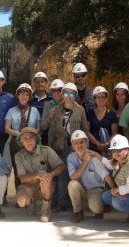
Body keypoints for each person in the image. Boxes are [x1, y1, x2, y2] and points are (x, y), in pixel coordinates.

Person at [47, 82, 89, 211]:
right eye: (65, 93)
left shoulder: (80, 110)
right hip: (59, 146)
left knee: (69, 174)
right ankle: (58, 202)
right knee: (59, 174)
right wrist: (48, 149)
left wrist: (85, 149)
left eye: (71, 94)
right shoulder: (56, 109)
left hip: (74, 147)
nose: (68, 96)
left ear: (75, 95)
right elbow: (52, 130)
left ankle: (66, 202)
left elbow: (84, 130)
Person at [15, 127, 66, 222]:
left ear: (36, 139)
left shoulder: (46, 150)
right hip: (29, 186)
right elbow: (22, 178)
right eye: (25, 138)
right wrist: (37, 175)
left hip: (44, 184)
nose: (29, 141)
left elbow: (62, 166)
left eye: (31, 138)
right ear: (21, 142)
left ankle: (46, 210)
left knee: (46, 180)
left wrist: (51, 174)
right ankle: (31, 202)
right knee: (21, 201)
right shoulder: (18, 156)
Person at [67, 130, 115, 222]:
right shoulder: (71, 157)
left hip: (95, 189)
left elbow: (106, 176)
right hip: (82, 189)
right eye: (76, 143)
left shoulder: (94, 157)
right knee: (72, 184)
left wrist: (115, 190)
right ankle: (78, 212)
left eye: (81, 142)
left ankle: (100, 206)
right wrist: (85, 162)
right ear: (72, 146)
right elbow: (73, 177)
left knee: (96, 208)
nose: (79, 145)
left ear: (86, 143)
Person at [5, 83, 41, 188]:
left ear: (29, 97)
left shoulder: (35, 111)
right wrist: (18, 134)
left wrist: (31, 135)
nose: (24, 96)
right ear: (17, 95)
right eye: (22, 94)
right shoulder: (11, 111)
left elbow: (39, 127)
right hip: (16, 143)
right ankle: (19, 193)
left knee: (31, 167)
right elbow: (6, 128)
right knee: (17, 169)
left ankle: (31, 194)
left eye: (26, 94)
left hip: (30, 143)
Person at [86, 86, 118, 154]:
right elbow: (87, 132)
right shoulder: (89, 113)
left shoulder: (112, 114)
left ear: (106, 99)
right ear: (94, 99)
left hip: (109, 149)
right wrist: (97, 143)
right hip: (93, 149)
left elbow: (114, 133)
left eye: (103, 97)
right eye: (98, 97)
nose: (101, 99)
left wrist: (106, 144)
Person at [41, 78, 64, 144]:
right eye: (54, 91)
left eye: (59, 90)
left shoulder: (68, 103)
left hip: (67, 140)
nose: (57, 93)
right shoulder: (48, 105)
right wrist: (49, 118)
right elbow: (43, 127)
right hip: (53, 140)